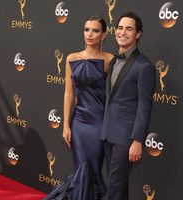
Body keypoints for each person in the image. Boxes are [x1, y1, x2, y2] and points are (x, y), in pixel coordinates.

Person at [44, 16, 114, 200]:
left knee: (93, 170)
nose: (89, 34)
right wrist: (66, 125)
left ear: (104, 35)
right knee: (81, 168)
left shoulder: (110, 60)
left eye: (95, 30)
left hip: (100, 122)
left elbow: (115, 96)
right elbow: (69, 94)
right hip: (79, 122)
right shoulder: (71, 58)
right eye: (86, 29)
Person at [100, 12, 156, 200]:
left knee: (114, 188)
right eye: (120, 27)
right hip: (108, 133)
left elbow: (144, 105)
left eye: (129, 28)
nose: (123, 32)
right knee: (119, 185)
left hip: (126, 138)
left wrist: (138, 140)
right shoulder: (114, 60)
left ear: (138, 34)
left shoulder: (144, 66)